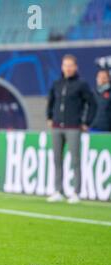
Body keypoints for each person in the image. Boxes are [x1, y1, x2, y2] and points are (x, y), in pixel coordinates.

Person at [46, 54, 97, 204]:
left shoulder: (81, 84)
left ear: (75, 67)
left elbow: (92, 103)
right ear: (62, 67)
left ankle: (76, 192)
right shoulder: (57, 83)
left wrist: (86, 122)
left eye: (70, 65)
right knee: (57, 159)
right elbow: (51, 101)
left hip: (73, 127)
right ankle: (58, 190)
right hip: (56, 126)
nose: (67, 68)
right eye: (65, 65)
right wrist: (49, 117)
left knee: (75, 160)